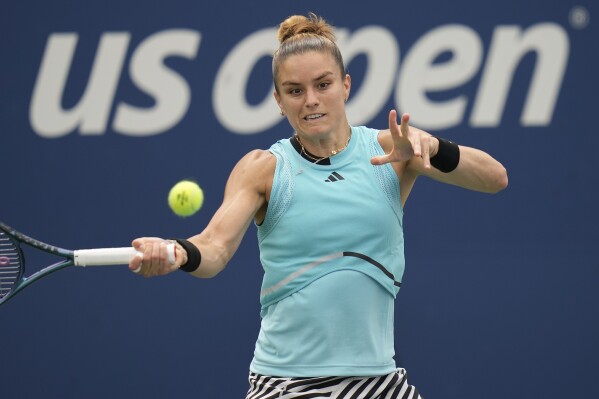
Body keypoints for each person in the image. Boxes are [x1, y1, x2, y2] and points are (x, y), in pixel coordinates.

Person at [129, 12, 508, 399]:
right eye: (294, 90)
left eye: (323, 84)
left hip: (380, 381)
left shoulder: (392, 150)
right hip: (288, 384)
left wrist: (433, 147)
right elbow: (214, 247)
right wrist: (178, 252)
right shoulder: (264, 169)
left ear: (345, 86)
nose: (310, 100)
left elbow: (495, 179)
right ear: (279, 101)